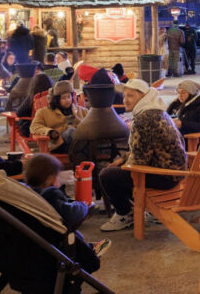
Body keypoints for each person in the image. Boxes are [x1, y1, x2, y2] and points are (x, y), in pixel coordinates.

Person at [100, 79, 187, 231]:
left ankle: (125, 214)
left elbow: (139, 161)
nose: (125, 100)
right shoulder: (156, 111)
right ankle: (144, 210)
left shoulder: (144, 119)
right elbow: (143, 149)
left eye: (131, 96)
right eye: (124, 95)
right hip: (174, 173)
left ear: (143, 96)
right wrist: (122, 159)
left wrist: (122, 166)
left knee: (106, 175)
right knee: (118, 170)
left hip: (165, 177)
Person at [24, 153, 111, 258]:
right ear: (50, 179)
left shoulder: (28, 193)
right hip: (56, 240)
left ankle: (87, 246)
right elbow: (72, 213)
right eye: (58, 176)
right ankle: (88, 251)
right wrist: (83, 205)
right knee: (68, 229)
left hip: (37, 235)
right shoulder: (51, 194)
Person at [30, 80, 86, 153]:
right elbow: (34, 127)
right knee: (71, 131)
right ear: (56, 99)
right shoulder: (43, 112)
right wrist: (50, 132)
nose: (67, 100)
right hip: (58, 144)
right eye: (63, 98)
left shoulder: (81, 110)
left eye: (69, 97)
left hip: (75, 144)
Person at [15, 73, 54, 138]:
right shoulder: (54, 96)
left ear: (34, 85)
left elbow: (19, 113)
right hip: (52, 127)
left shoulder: (33, 97)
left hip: (32, 130)